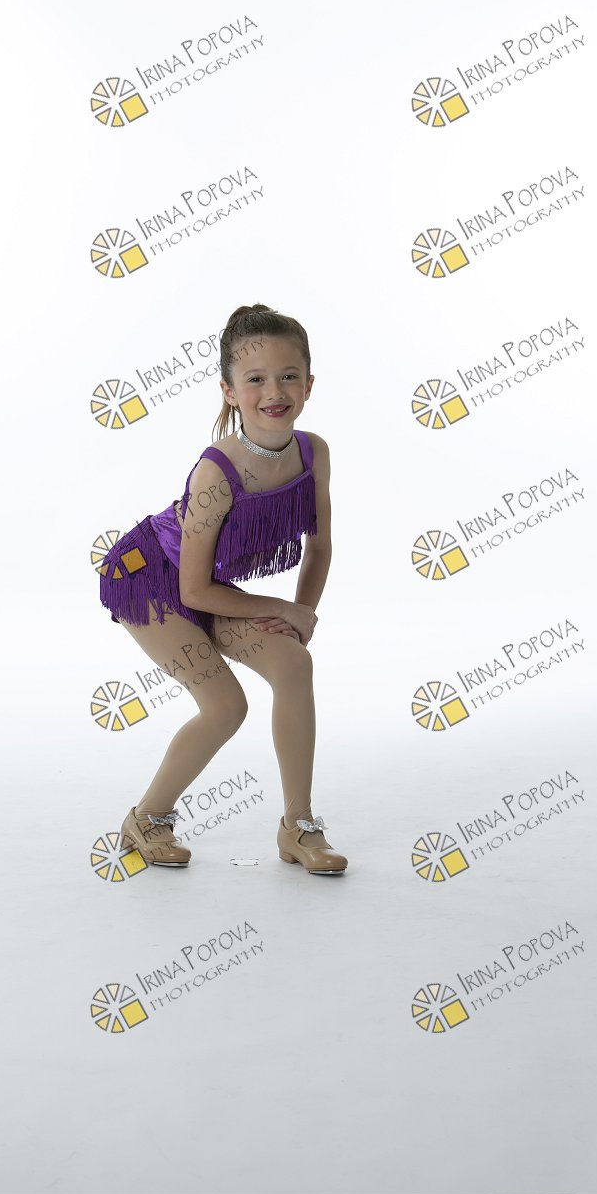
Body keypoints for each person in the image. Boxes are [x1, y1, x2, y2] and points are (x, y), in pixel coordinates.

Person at [98, 303, 347, 875]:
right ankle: (147, 818)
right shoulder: (217, 471)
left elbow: (321, 546)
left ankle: (298, 826)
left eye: (288, 376)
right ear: (230, 392)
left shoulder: (315, 452)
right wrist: (281, 607)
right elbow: (193, 590)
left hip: (208, 584)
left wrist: (301, 616)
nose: (274, 392)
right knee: (225, 706)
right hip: (148, 577)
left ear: (309, 385)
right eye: (255, 379)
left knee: (293, 664)